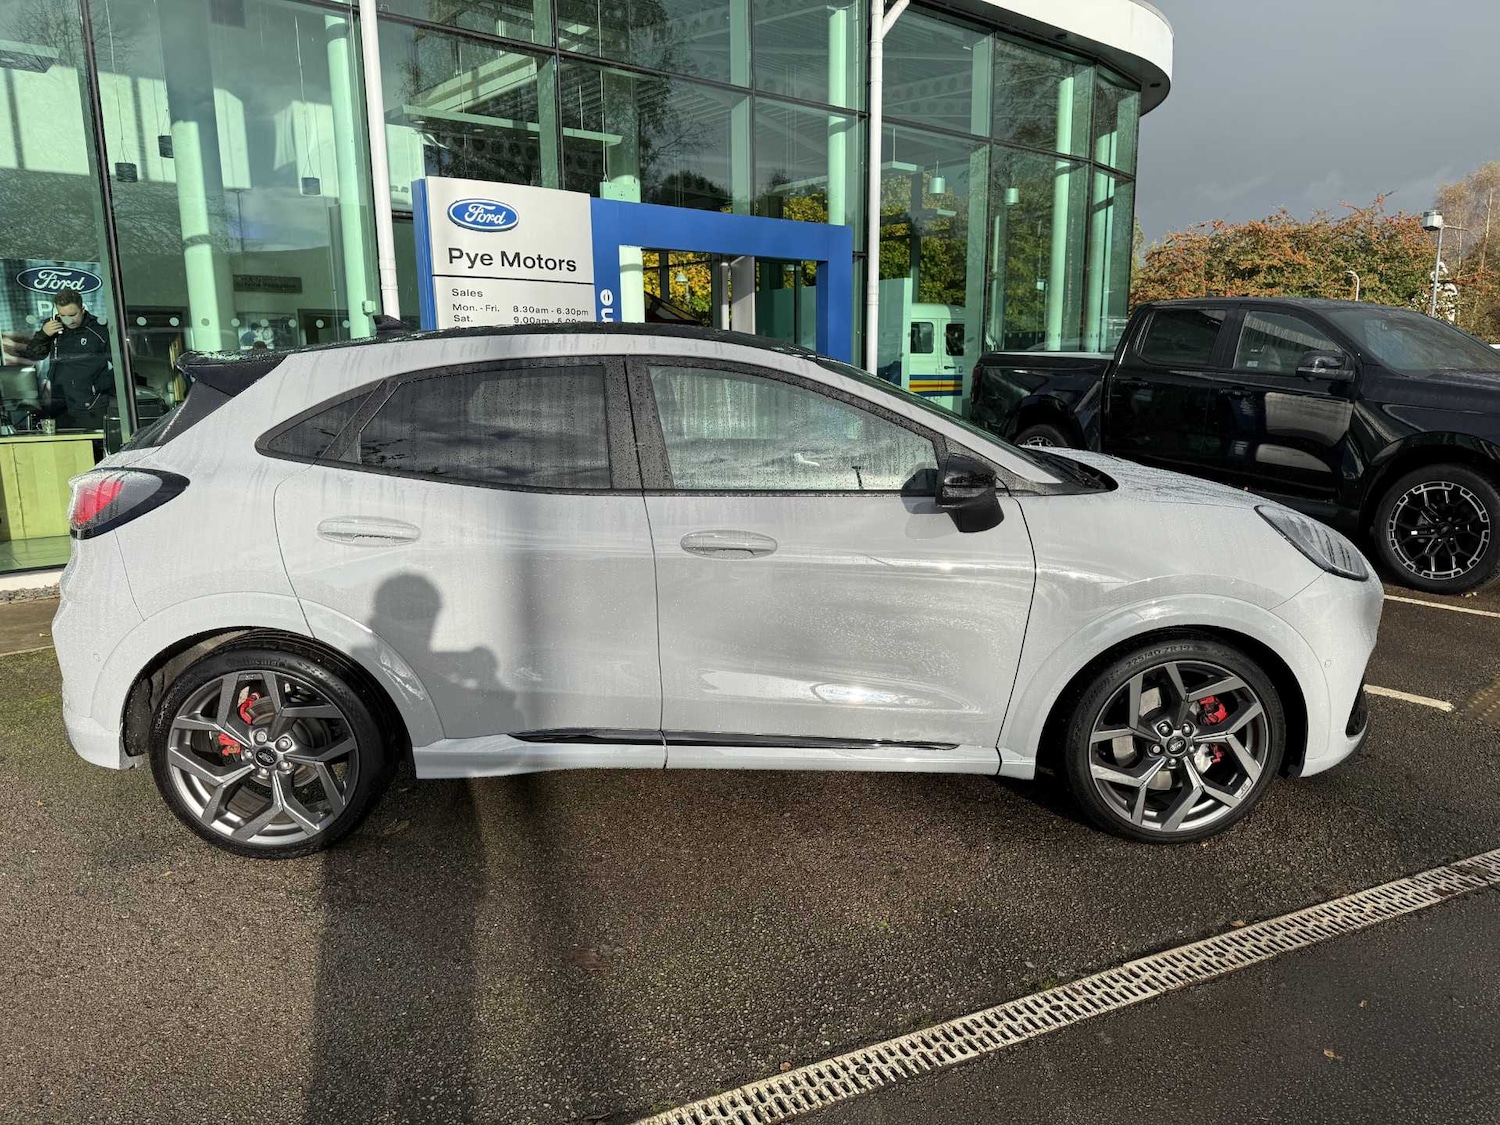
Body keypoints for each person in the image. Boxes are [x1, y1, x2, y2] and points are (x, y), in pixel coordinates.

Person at [8, 288, 115, 431]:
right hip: (59, 405)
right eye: (63, 315)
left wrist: (98, 387)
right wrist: (43, 335)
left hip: (92, 405)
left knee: (93, 447)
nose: (68, 320)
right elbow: (34, 355)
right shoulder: (52, 326)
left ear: (82, 309)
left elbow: (121, 366)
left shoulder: (100, 330)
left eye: (72, 315)